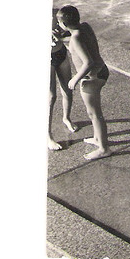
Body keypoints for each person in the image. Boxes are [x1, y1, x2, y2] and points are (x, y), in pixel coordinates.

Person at [56, 5, 111, 161]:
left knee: (95, 114)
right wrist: (60, 38)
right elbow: (80, 42)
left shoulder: (75, 38)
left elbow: (88, 62)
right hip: (102, 70)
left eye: (58, 22)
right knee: (92, 112)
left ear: (64, 25)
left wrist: (75, 79)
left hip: (91, 78)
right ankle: (97, 137)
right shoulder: (84, 27)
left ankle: (104, 148)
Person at [49, 8, 77, 151]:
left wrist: (60, 34)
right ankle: (48, 136)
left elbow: (70, 30)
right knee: (51, 97)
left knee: (68, 89)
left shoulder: (55, 13)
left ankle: (66, 118)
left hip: (60, 52)